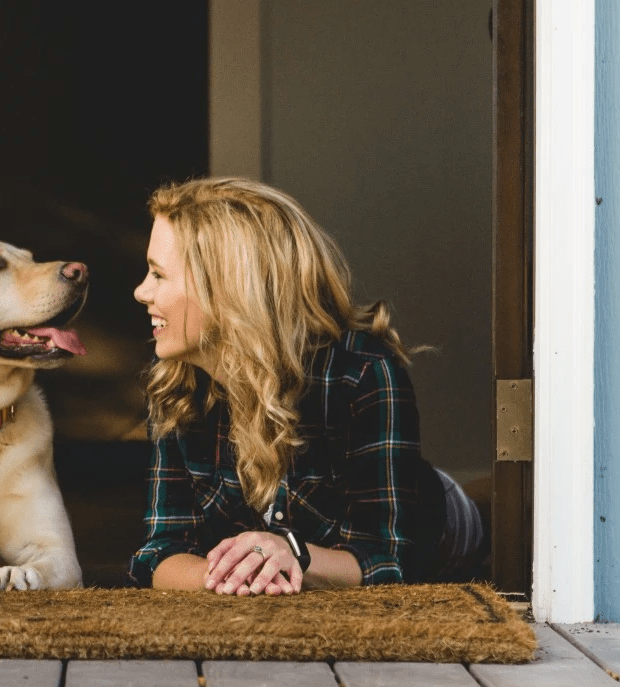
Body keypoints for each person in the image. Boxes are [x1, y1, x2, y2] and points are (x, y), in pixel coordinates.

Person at [127, 176, 485, 596]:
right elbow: (160, 550)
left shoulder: (363, 372)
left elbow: (393, 556)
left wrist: (294, 554)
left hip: (432, 520)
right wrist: (238, 577)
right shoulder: (174, 379)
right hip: (272, 545)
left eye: (158, 274)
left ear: (225, 289)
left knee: (487, 510)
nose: (140, 291)